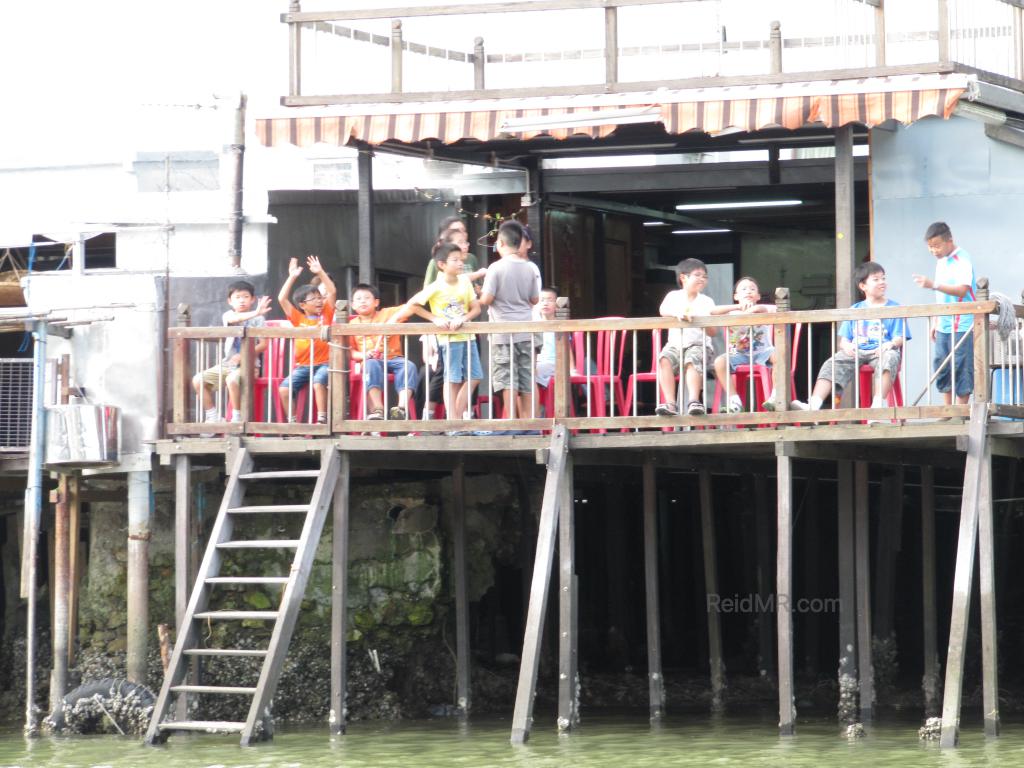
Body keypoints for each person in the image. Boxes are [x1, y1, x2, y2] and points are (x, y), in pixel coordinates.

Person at [792, 261, 910, 411]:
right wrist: (847, 345)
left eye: (883, 278)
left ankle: (878, 405)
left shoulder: (894, 307)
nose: (882, 283)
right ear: (863, 286)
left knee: (890, 358)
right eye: (876, 279)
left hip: (881, 351)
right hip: (857, 351)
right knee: (832, 362)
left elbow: (900, 336)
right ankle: (814, 404)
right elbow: (844, 340)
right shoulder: (855, 309)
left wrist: (890, 344)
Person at [407, 242, 483, 431]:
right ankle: (455, 422)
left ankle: (454, 419)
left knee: (475, 376)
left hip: (468, 336)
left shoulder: (465, 281)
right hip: (448, 340)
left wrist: (463, 319)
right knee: (452, 378)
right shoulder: (436, 285)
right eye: (455, 260)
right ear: (441, 264)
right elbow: (413, 305)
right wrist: (435, 319)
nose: (460, 263)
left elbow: (476, 308)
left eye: (461, 259)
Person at [479, 220, 542, 419]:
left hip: (503, 333)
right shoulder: (531, 268)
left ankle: (512, 421)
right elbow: (534, 299)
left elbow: (487, 299)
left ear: (501, 243)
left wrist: (480, 294)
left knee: (507, 378)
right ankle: (530, 421)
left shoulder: (495, 268)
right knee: (527, 376)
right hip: (527, 330)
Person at [912, 221, 976, 405]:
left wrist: (933, 284)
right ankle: (946, 409)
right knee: (942, 364)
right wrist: (935, 320)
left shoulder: (962, 259)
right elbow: (940, 295)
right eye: (930, 247)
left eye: (937, 246)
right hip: (944, 322)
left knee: (962, 364)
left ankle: (960, 410)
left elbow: (963, 290)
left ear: (950, 240)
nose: (934, 251)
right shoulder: (941, 261)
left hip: (963, 321)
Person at [192, 280, 271, 425]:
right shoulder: (228, 315)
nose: (242, 300)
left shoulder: (259, 319)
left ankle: (236, 417)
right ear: (230, 301)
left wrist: (243, 356)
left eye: (246, 297)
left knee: (232, 379)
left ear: (253, 299)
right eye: (237, 297)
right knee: (198, 380)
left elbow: (264, 344)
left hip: (249, 366)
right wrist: (255, 312)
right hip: (228, 364)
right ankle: (213, 417)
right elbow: (235, 319)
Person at [277, 256, 337, 424]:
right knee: (284, 388)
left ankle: (322, 419)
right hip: (303, 366)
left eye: (320, 297)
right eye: (314, 299)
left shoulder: (327, 312)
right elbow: (282, 299)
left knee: (318, 382)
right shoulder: (297, 318)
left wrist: (320, 272)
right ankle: (293, 422)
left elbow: (331, 291)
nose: (319, 301)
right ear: (302, 305)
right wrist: (292, 276)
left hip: (326, 363)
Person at [655, 258, 718, 416]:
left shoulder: (707, 301)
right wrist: (678, 313)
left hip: (699, 345)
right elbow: (663, 310)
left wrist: (700, 321)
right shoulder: (673, 296)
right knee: (664, 359)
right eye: (697, 275)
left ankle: (694, 401)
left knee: (692, 359)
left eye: (705, 277)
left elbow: (712, 332)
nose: (702, 279)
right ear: (683, 277)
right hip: (675, 345)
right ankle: (670, 403)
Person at [348, 283, 418, 420]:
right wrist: (364, 355)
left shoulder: (387, 313)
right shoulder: (351, 325)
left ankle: (401, 409)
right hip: (370, 361)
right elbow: (351, 352)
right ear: (352, 305)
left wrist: (392, 321)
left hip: (394, 358)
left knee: (408, 366)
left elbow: (412, 306)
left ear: (376, 302)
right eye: (358, 299)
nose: (363, 301)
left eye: (367, 298)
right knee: (371, 364)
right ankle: (377, 409)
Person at [712, 277, 778, 413]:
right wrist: (737, 307)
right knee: (719, 362)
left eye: (752, 289)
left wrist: (758, 308)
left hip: (763, 353)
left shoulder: (763, 310)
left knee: (779, 355)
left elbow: (779, 308)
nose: (748, 291)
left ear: (758, 296)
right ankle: (734, 400)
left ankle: (776, 396)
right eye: (743, 289)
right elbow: (712, 311)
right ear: (735, 296)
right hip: (738, 354)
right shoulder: (731, 313)